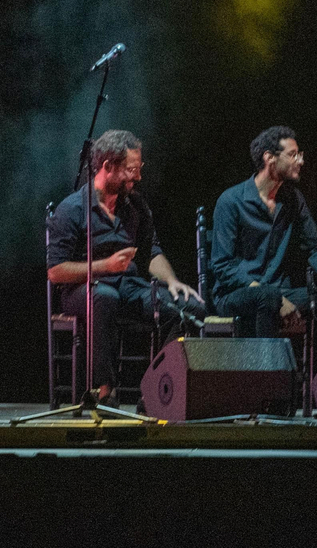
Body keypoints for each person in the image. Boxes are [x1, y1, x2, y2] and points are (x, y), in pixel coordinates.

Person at [47, 129, 203, 402]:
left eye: (138, 168)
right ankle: (104, 391)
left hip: (128, 286)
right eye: (131, 169)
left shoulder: (134, 206)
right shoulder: (72, 209)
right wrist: (105, 265)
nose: (138, 176)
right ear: (107, 166)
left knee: (186, 306)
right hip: (83, 289)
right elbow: (56, 271)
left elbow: (151, 251)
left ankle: (160, 392)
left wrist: (173, 281)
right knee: (104, 298)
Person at [209, 125, 317, 343]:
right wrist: (274, 297)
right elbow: (222, 267)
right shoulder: (231, 201)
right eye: (293, 155)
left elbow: (315, 247)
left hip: (276, 291)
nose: (300, 161)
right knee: (267, 297)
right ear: (269, 158)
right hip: (236, 294)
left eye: (299, 155)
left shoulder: (293, 199)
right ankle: (268, 373)